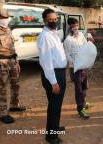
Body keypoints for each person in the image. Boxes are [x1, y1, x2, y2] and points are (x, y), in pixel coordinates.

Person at [37, 8, 67, 144]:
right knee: (54, 106)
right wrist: (54, 82)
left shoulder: (53, 33)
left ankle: (54, 128)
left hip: (59, 73)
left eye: (55, 19)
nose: (54, 21)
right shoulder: (45, 36)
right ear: (44, 20)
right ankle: (51, 136)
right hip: (53, 75)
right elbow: (46, 61)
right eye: (51, 20)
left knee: (55, 104)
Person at [0, 8, 25, 124]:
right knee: (1, 88)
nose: (6, 20)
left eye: (7, 17)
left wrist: (17, 61)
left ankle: (14, 105)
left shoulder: (8, 29)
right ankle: (3, 113)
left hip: (12, 61)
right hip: (1, 62)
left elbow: (12, 46)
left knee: (16, 84)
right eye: (4, 18)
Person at [64, 17, 92, 120]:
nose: (75, 28)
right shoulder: (68, 40)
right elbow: (67, 55)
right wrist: (76, 63)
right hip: (75, 68)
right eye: (73, 26)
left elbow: (85, 46)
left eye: (76, 25)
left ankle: (84, 103)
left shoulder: (80, 35)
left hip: (83, 65)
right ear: (69, 27)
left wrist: (89, 43)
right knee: (79, 89)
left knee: (85, 86)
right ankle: (80, 109)